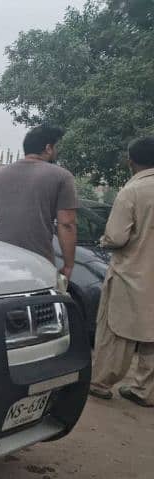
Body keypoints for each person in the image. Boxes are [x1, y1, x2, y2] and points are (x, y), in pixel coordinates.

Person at [90, 137, 154, 407]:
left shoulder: (133, 190)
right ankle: (145, 390)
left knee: (115, 328)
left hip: (132, 272)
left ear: (131, 161)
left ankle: (101, 382)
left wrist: (104, 240)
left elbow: (116, 236)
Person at [0, 125, 78, 280]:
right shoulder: (62, 176)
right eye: (57, 147)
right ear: (48, 148)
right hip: (37, 263)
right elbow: (67, 223)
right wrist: (68, 265)